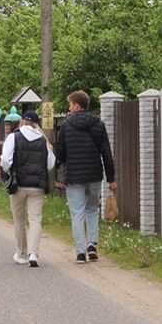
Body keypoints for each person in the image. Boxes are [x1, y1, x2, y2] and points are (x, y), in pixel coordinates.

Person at [56, 90, 116, 264]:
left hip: (74, 176)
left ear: (76, 106)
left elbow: (61, 153)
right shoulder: (98, 124)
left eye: (70, 104)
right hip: (94, 174)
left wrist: (60, 165)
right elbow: (106, 153)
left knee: (77, 213)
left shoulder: (66, 127)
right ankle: (92, 245)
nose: (69, 108)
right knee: (92, 210)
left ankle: (81, 252)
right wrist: (111, 178)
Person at [0, 110, 56, 268]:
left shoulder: (13, 137)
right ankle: (34, 254)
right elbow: (50, 164)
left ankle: (22, 253)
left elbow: (5, 160)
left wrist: (9, 171)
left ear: (22, 121)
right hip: (37, 186)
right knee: (35, 220)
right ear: (36, 123)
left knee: (19, 220)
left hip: (18, 184)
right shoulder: (43, 140)